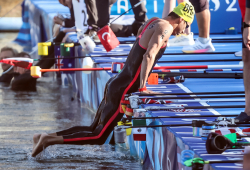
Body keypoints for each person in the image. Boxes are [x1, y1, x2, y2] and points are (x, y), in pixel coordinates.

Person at [31, 2, 195, 157]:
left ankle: (44, 136)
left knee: (93, 128)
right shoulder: (165, 27)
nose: (185, 30)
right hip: (124, 88)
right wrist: (143, 87)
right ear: (181, 18)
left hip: (116, 82)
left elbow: (138, 50)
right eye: (187, 25)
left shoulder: (152, 22)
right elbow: (149, 55)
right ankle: (48, 140)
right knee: (99, 136)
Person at [234, 0, 250, 123]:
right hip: (246, 15)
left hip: (248, 18)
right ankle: (248, 110)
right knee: (247, 56)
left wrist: (248, 25)